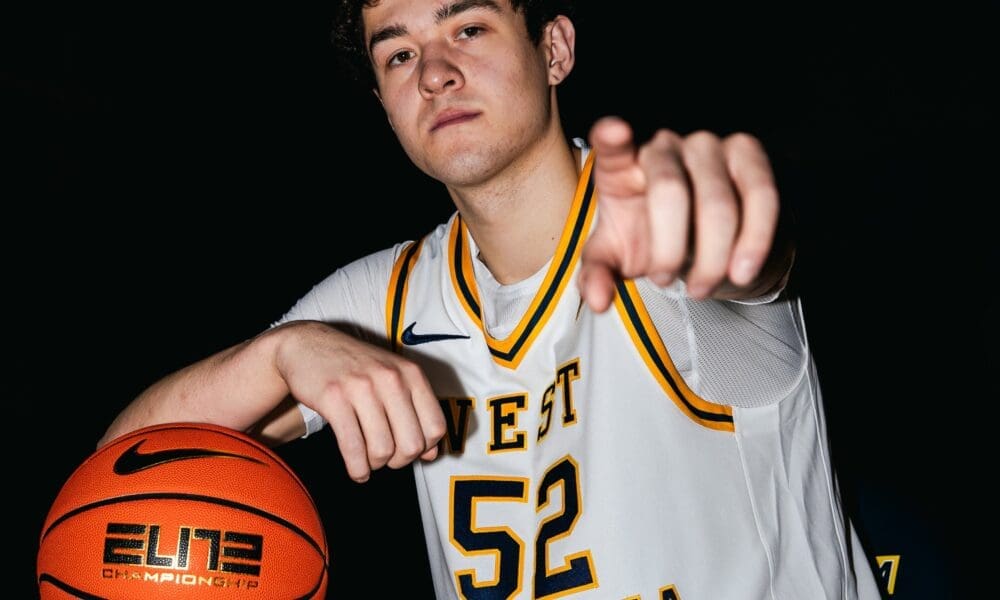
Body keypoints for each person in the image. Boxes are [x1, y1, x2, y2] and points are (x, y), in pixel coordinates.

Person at [100, 0, 881, 597]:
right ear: (384, 105)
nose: (433, 73)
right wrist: (280, 354)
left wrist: (733, 215)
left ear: (554, 49)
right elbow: (124, 475)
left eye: (467, 29)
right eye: (399, 54)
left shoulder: (654, 226)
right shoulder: (389, 296)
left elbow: (745, 259)